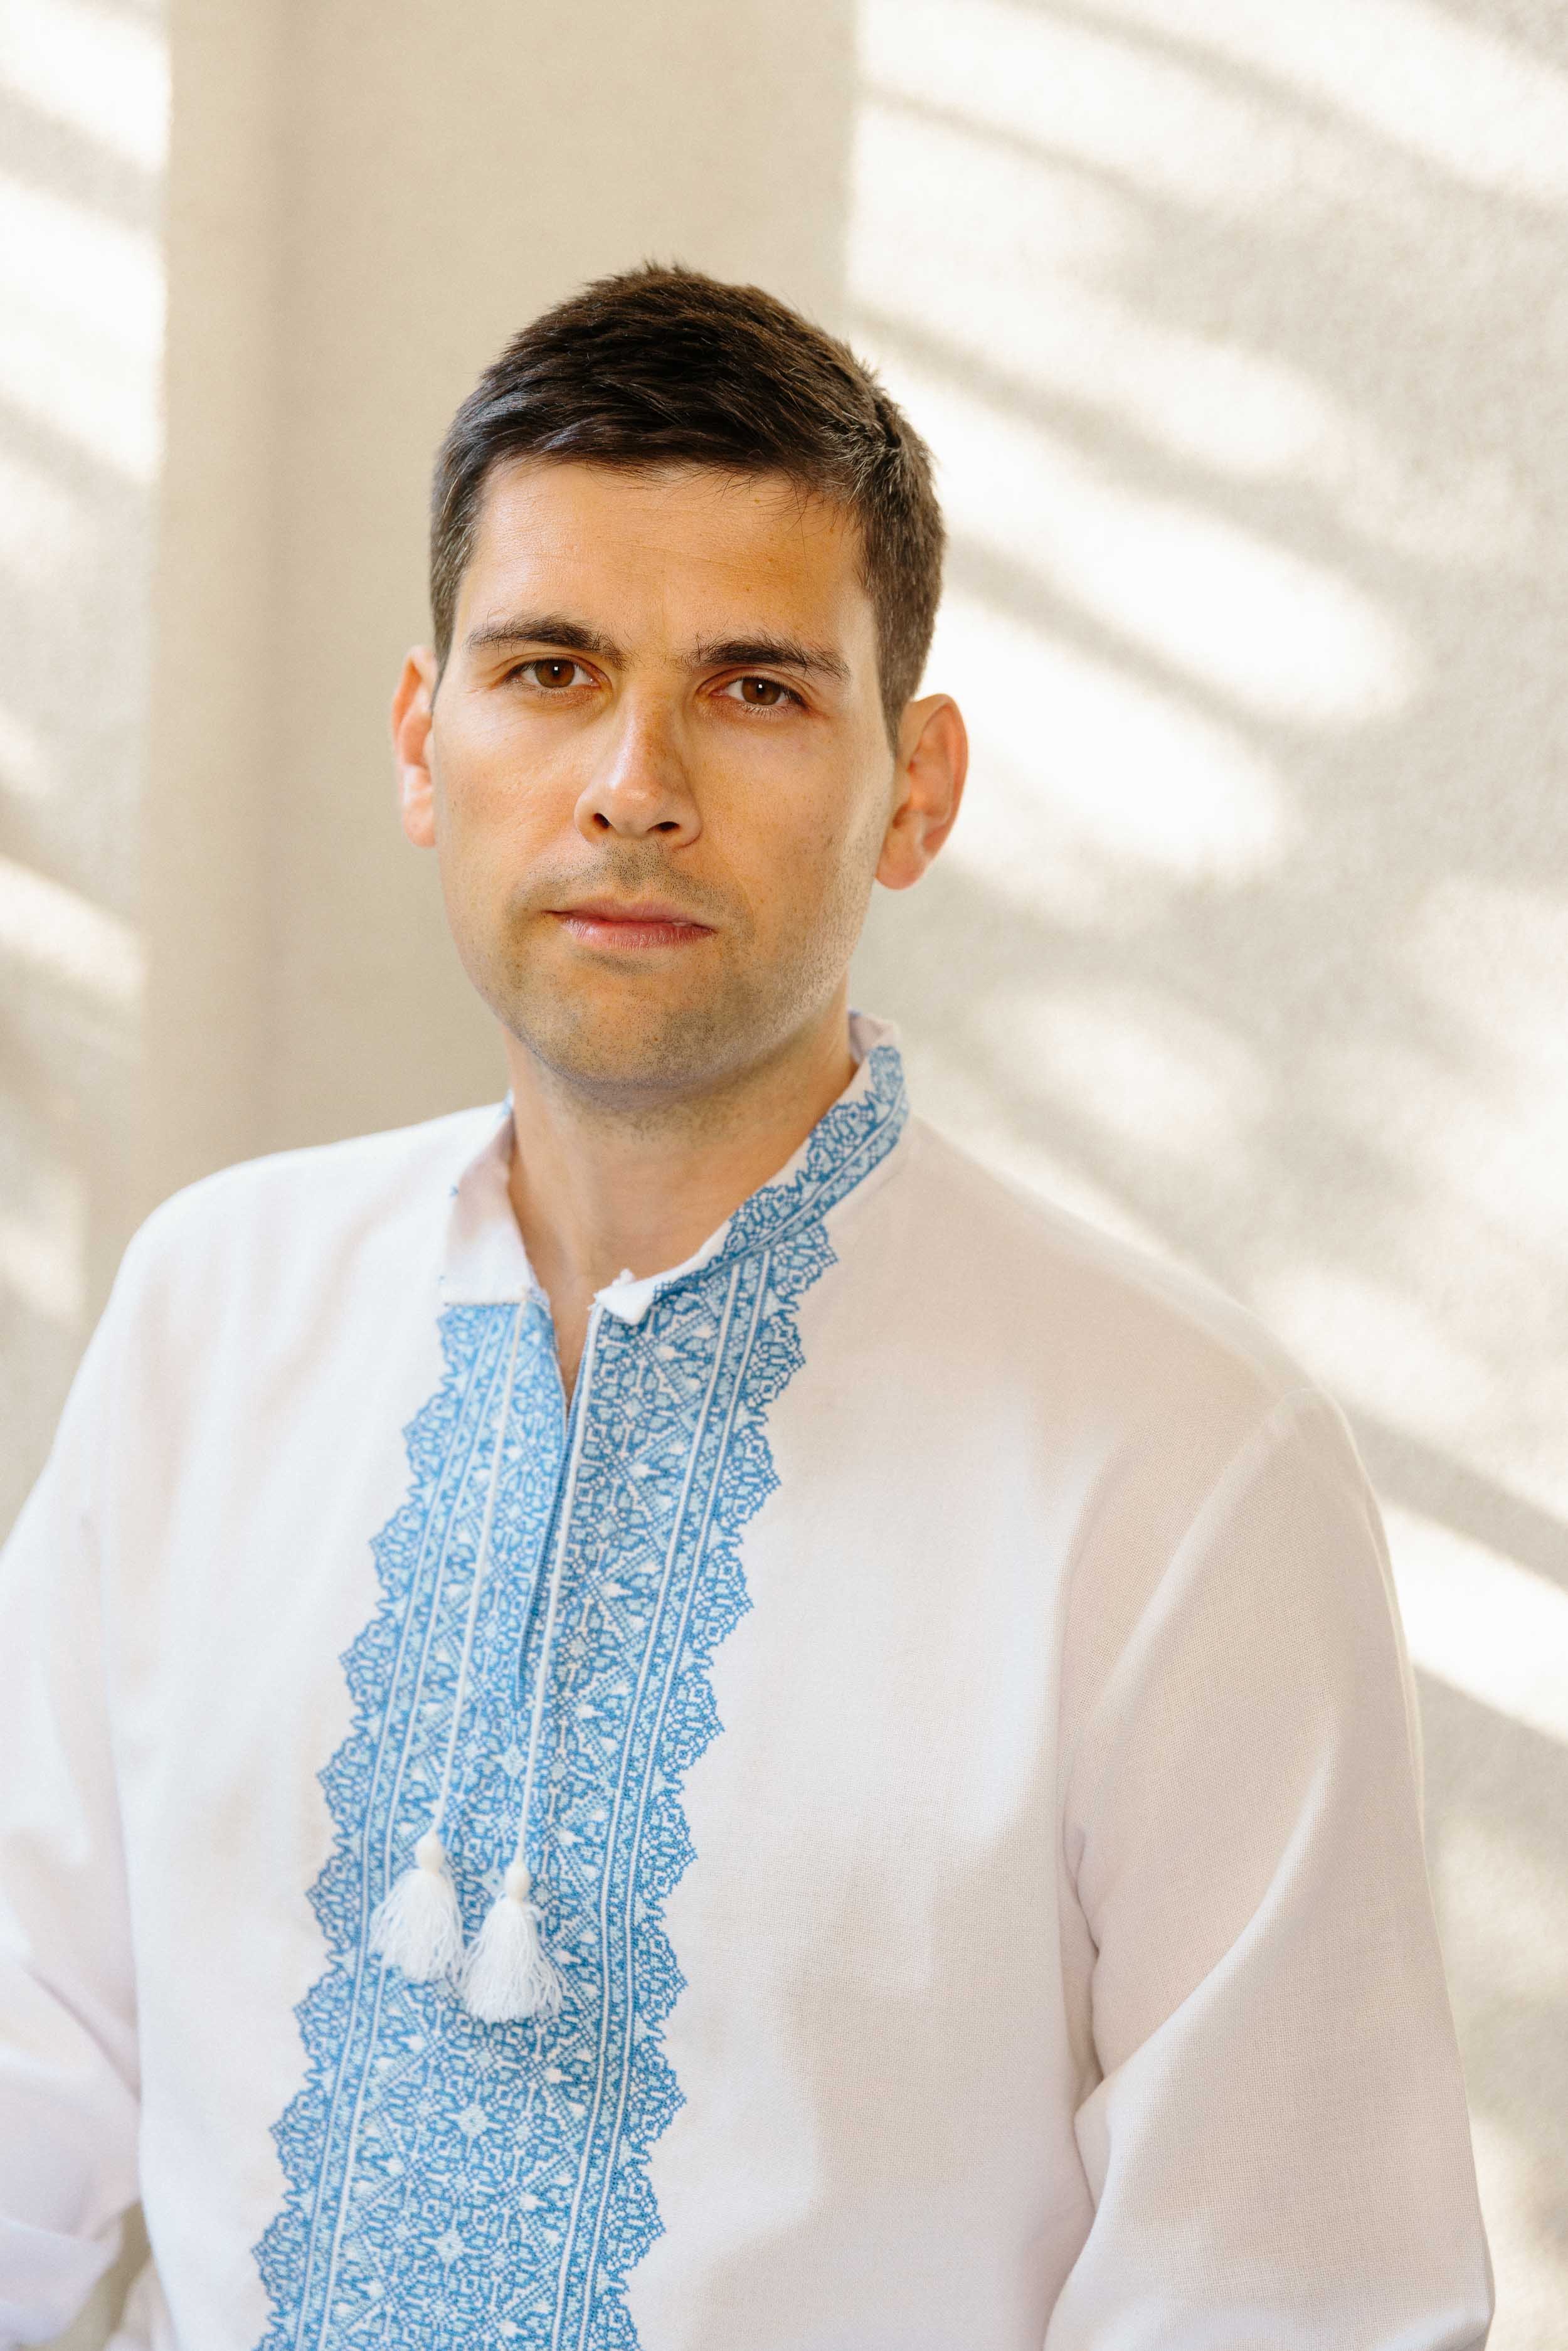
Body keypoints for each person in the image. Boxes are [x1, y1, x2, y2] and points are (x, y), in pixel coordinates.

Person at [0, 264, 1493, 2351]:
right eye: (548, 668)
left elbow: (1296, 2293)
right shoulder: (212, 1315)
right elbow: (30, 2080)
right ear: (426, 742)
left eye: (758, 686)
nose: (633, 779)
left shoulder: (1174, 1468)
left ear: (919, 787)